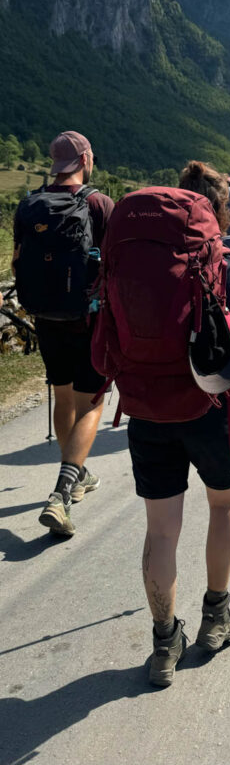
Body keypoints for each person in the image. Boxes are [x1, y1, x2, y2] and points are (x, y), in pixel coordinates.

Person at [126, 161, 230, 686]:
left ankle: (165, 642)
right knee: (223, 505)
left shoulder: (139, 261)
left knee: (161, 529)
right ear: (217, 211)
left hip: (146, 406)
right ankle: (217, 616)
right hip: (212, 410)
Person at [12, 131, 114, 537]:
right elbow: (116, 267)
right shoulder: (99, 204)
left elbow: (19, 261)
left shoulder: (29, 205)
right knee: (92, 404)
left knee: (64, 394)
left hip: (45, 316)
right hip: (88, 318)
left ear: (54, 164)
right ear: (86, 159)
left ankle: (78, 472)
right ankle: (60, 495)